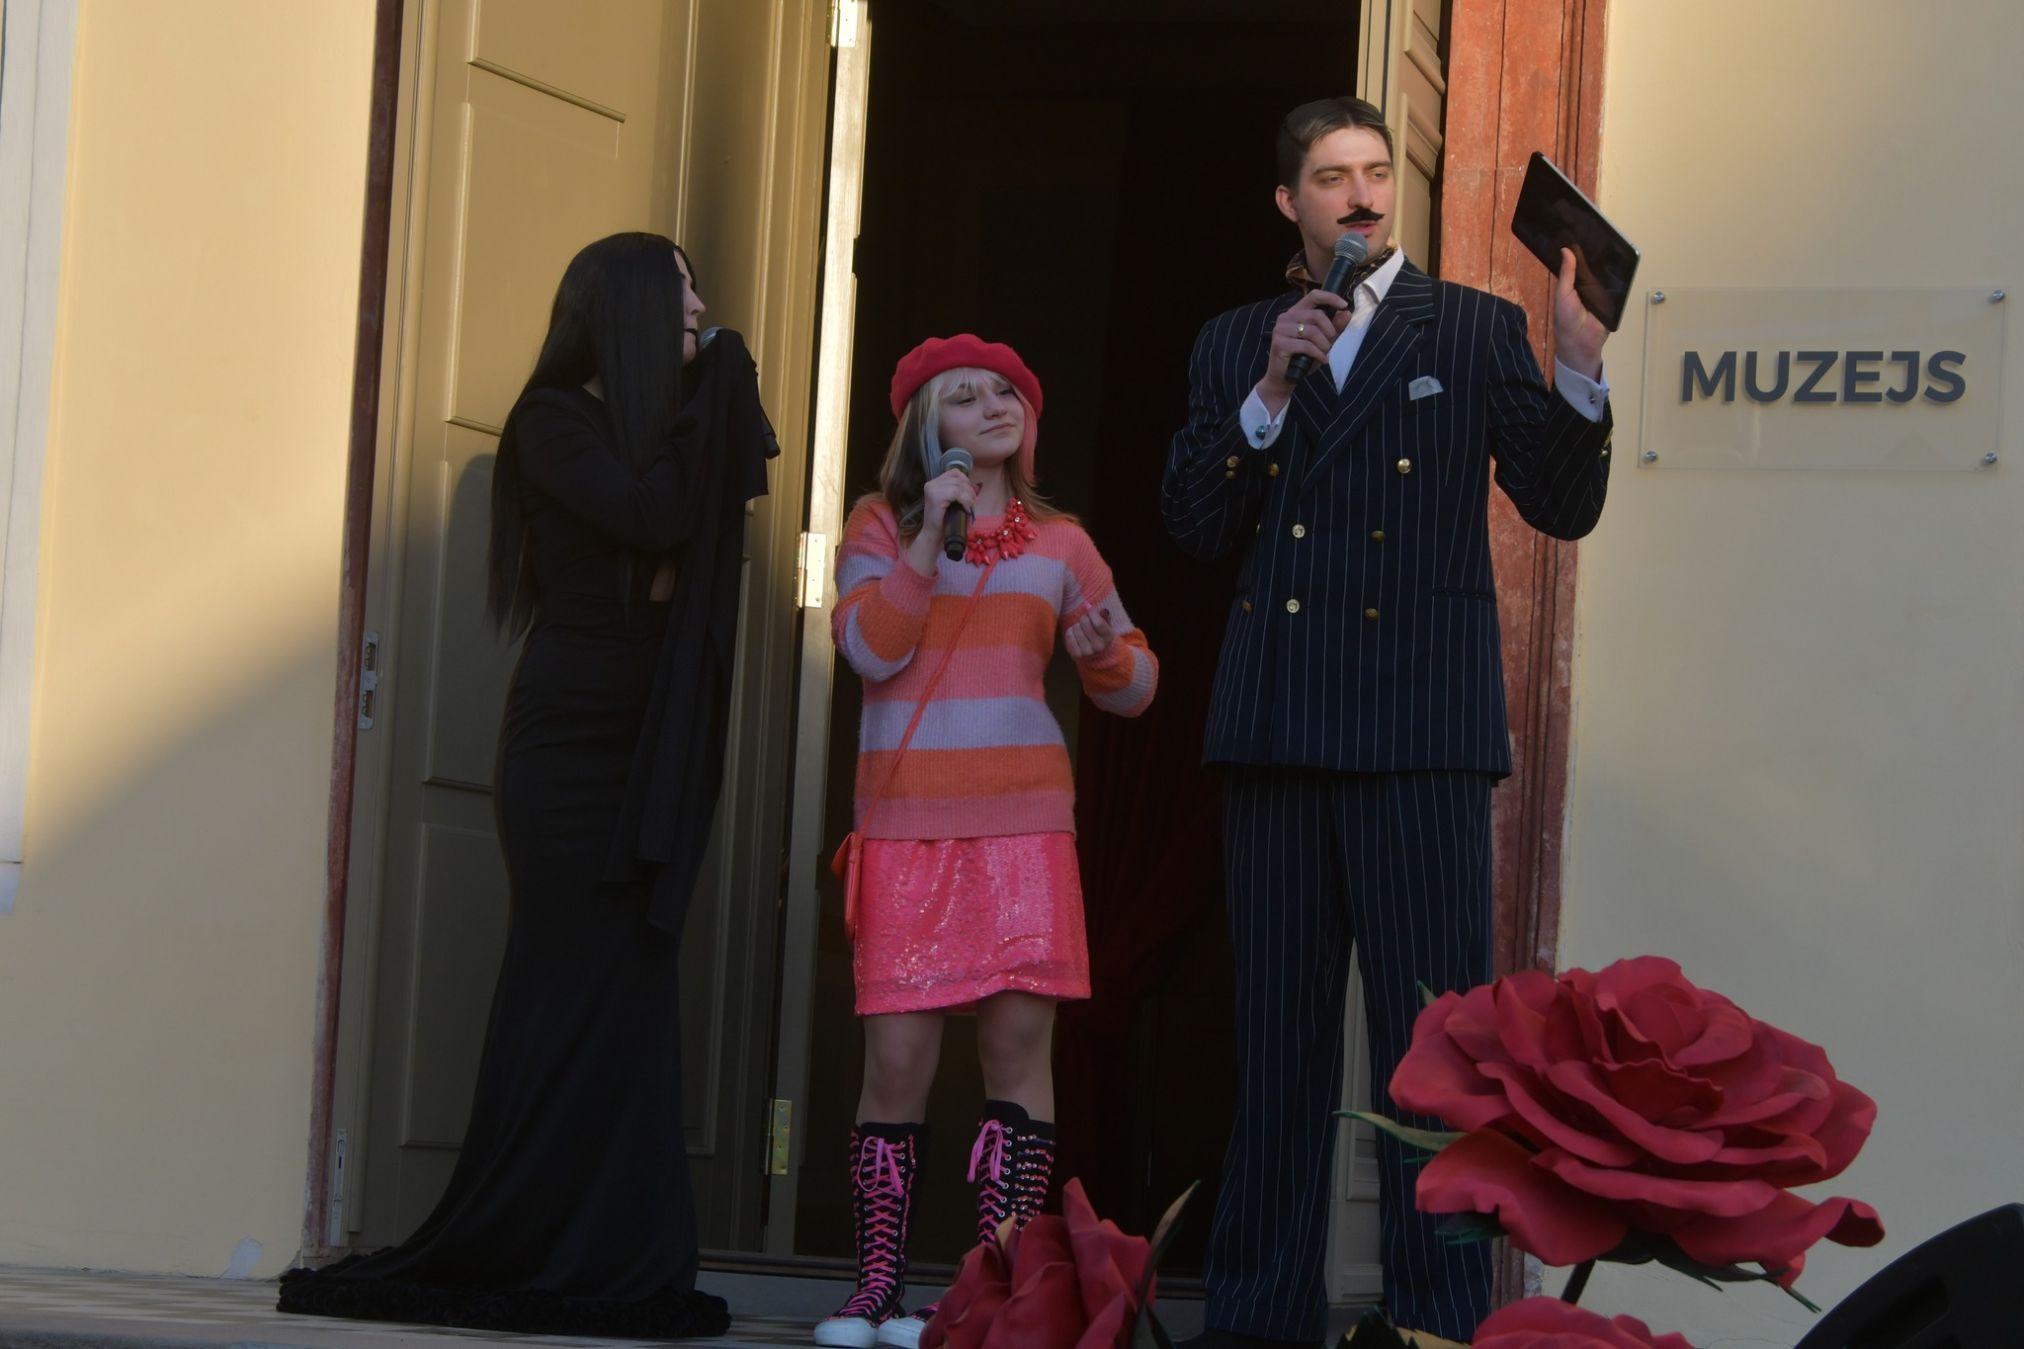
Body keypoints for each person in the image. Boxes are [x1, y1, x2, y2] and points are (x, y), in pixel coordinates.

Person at [1161, 98, 1614, 1347]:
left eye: (1372, 170)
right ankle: (1256, 1320)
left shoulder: (1469, 325)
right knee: (1278, 1052)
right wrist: (1269, 387)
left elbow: (1558, 501)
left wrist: (1577, 365)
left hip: (1418, 732)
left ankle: (1436, 1324)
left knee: (1434, 1052)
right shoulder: (1235, 340)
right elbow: (1193, 521)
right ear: (1289, 202)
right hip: (1277, 729)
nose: (1359, 192)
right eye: (1329, 176)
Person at [278, 232, 776, 1339]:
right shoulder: (552, 422)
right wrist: (718, 388)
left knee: (633, 985)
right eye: (683, 288)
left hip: (651, 740)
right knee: (566, 980)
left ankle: (616, 1250)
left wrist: (712, 396)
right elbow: (652, 516)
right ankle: (536, 1239)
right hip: (567, 751)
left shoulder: (665, 428)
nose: (701, 308)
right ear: (628, 304)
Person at [816, 335, 1159, 1348]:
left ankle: (992, 1291)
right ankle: (876, 1289)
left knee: (1015, 1054)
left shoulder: (1063, 544)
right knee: (896, 1062)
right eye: (964, 396)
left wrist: (1103, 659)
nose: (995, 403)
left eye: (1007, 390)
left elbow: (1140, 685)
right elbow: (867, 647)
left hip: (1024, 828)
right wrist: (931, 537)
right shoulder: (878, 527)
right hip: (906, 831)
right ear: (927, 429)